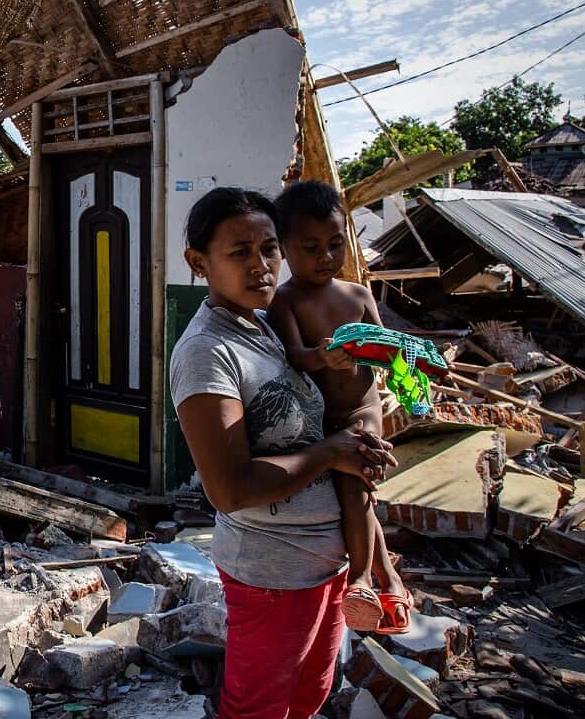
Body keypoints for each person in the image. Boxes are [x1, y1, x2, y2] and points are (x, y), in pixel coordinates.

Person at [170, 187, 397, 719]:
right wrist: (331, 454)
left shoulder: (265, 326)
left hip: (324, 566)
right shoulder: (208, 351)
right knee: (258, 709)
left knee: (307, 696)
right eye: (240, 252)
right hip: (272, 575)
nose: (261, 265)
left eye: (269, 248)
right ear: (198, 263)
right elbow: (229, 490)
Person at [266, 180, 411, 634]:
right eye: (310, 247)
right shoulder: (285, 300)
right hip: (319, 420)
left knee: (355, 491)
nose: (326, 256)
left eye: (335, 244)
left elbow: (390, 351)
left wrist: (413, 378)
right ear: (285, 248)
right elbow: (293, 355)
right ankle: (390, 581)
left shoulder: (359, 295)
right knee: (358, 500)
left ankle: (362, 580)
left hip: (363, 412)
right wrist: (323, 356)